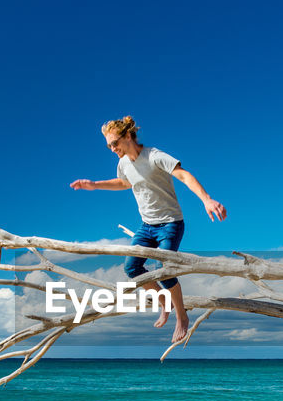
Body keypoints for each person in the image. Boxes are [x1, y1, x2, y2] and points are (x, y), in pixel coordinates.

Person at [70, 116, 227, 343]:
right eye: (109, 146)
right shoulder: (123, 163)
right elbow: (124, 182)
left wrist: (207, 199)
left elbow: (182, 174)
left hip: (170, 223)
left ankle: (182, 316)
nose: (112, 149)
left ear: (128, 136)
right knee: (132, 267)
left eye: (115, 143)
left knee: (166, 269)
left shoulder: (154, 156)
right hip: (146, 226)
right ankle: (164, 302)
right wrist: (94, 185)